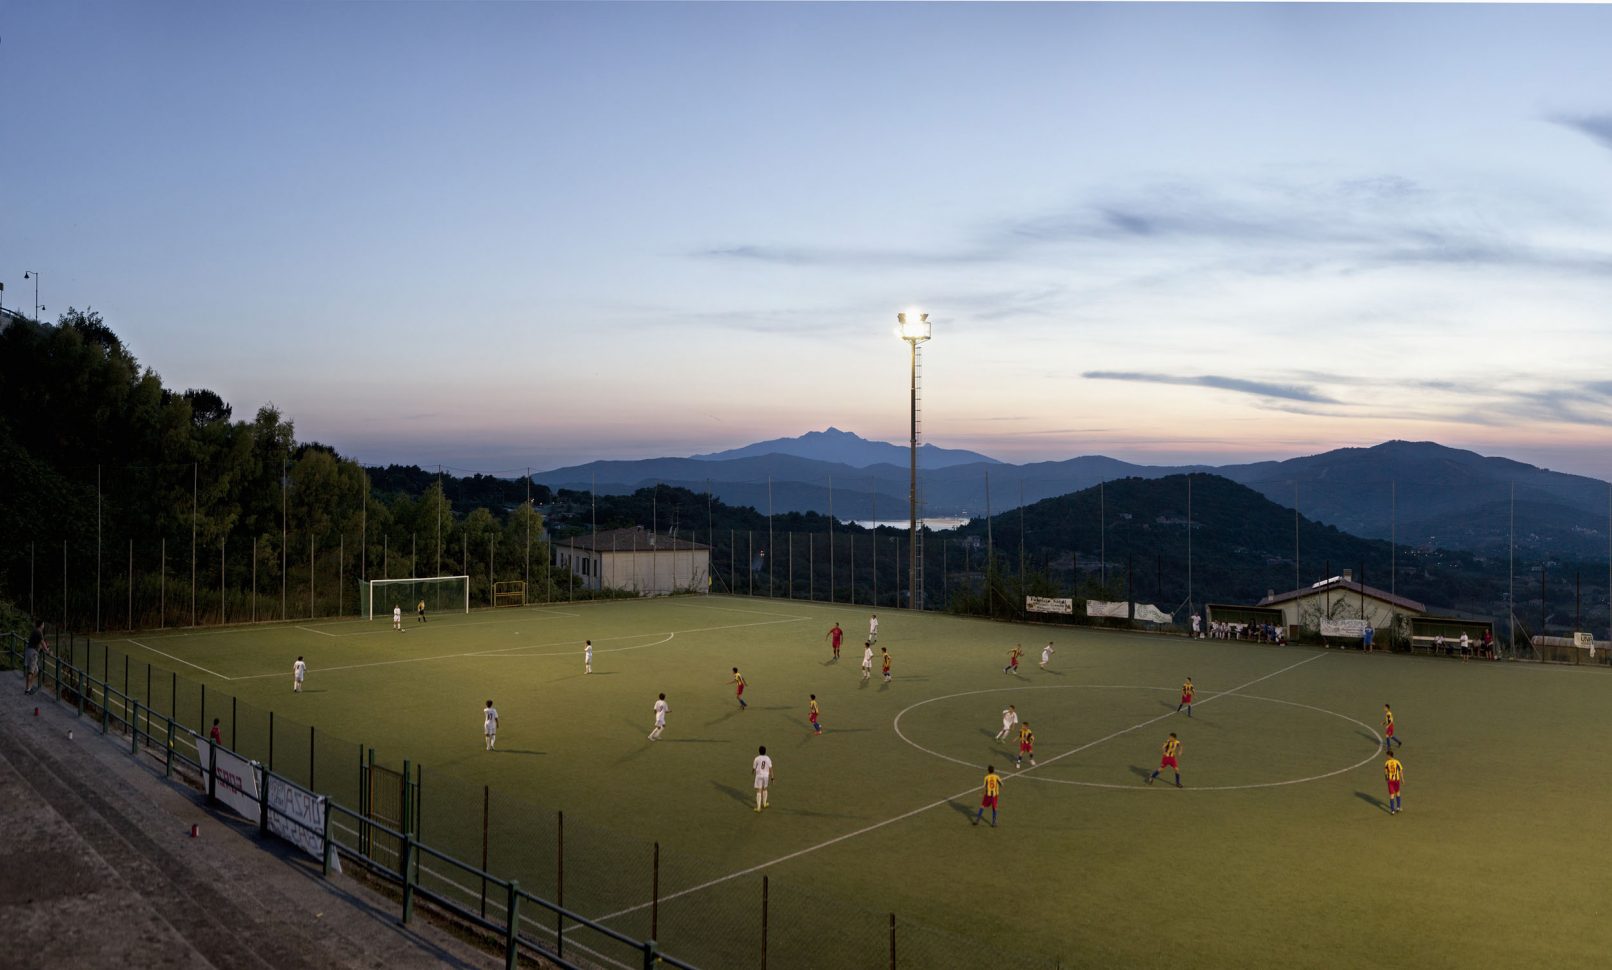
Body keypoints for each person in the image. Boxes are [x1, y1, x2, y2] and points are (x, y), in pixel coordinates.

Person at [24, 620, 45, 695]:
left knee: (36, 670)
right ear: (41, 624)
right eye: (43, 624)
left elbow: (37, 643)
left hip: (29, 651)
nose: (44, 625)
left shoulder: (34, 631)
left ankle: (29, 687)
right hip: (33, 653)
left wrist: (41, 649)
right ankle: (28, 689)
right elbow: (43, 643)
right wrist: (47, 651)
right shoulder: (39, 632)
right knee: (31, 671)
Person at [751, 745, 774, 812]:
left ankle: (758, 808)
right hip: (766, 776)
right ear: (765, 751)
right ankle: (764, 804)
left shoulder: (756, 758)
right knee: (765, 789)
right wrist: (772, 777)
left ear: (759, 751)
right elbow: (771, 768)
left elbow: (754, 768)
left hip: (759, 776)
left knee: (759, 790)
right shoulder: (768, 758)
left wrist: (752, 771)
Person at [1384, 751, 1404, 815]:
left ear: (1389, 756)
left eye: (1387, 755)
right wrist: (1402, 779)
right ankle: (1398, 807)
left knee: (1391, 795)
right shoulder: (1397, 762)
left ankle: (1392, 810)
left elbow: (1385, 772)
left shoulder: (1387, 763)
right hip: (1396, 780)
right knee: (1398, 792)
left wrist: (1386, 778)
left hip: (1390, 781)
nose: (1386, 757)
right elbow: (1400, 771)